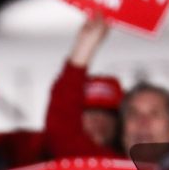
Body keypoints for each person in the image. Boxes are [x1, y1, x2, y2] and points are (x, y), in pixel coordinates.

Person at [42, 14, 124, 158]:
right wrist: (84, 46)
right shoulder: (74, 154)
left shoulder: (140, 162)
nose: (99, 120)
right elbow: (63, 118)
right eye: (90, 112)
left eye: (108, 113)